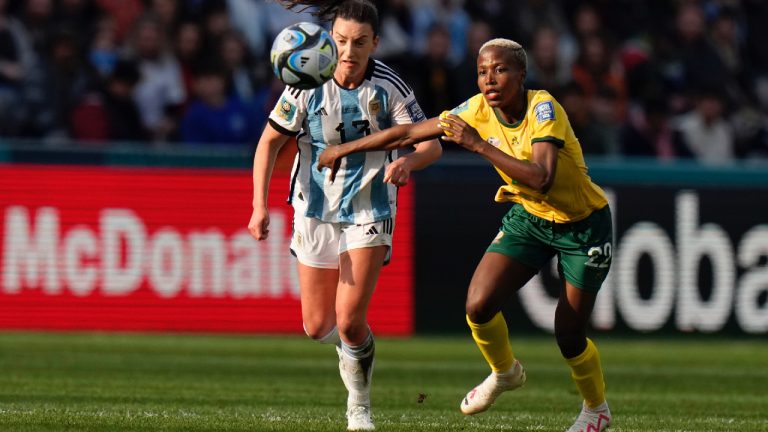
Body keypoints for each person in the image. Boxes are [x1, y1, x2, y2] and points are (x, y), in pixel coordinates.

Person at [318, 38, 613, 432]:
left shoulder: (544, 108)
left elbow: (541, 178)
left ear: (521, 75)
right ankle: (505, 372)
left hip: (583, 224)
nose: (489, 80)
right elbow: (407, 133)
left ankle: (596, 410)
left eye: (500, 70)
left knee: (569, 334)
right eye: (482, 72)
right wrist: (346, 149)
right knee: (478, 304)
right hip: (531, 218)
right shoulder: (475, 108)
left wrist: (476, 144)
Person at [247, 0, 441, 430]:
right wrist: (260, 205)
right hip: (313, 207)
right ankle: (354, 352)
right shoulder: (305, 79)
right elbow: (269, 143)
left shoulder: (388, 86)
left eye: (358, 42)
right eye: (340, 40)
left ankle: (359, 407)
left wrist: (409, 162)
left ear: (375, 43)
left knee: (350, 321)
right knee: (318, 327)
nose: (348, 51)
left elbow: (431, 142)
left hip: (369, 205)